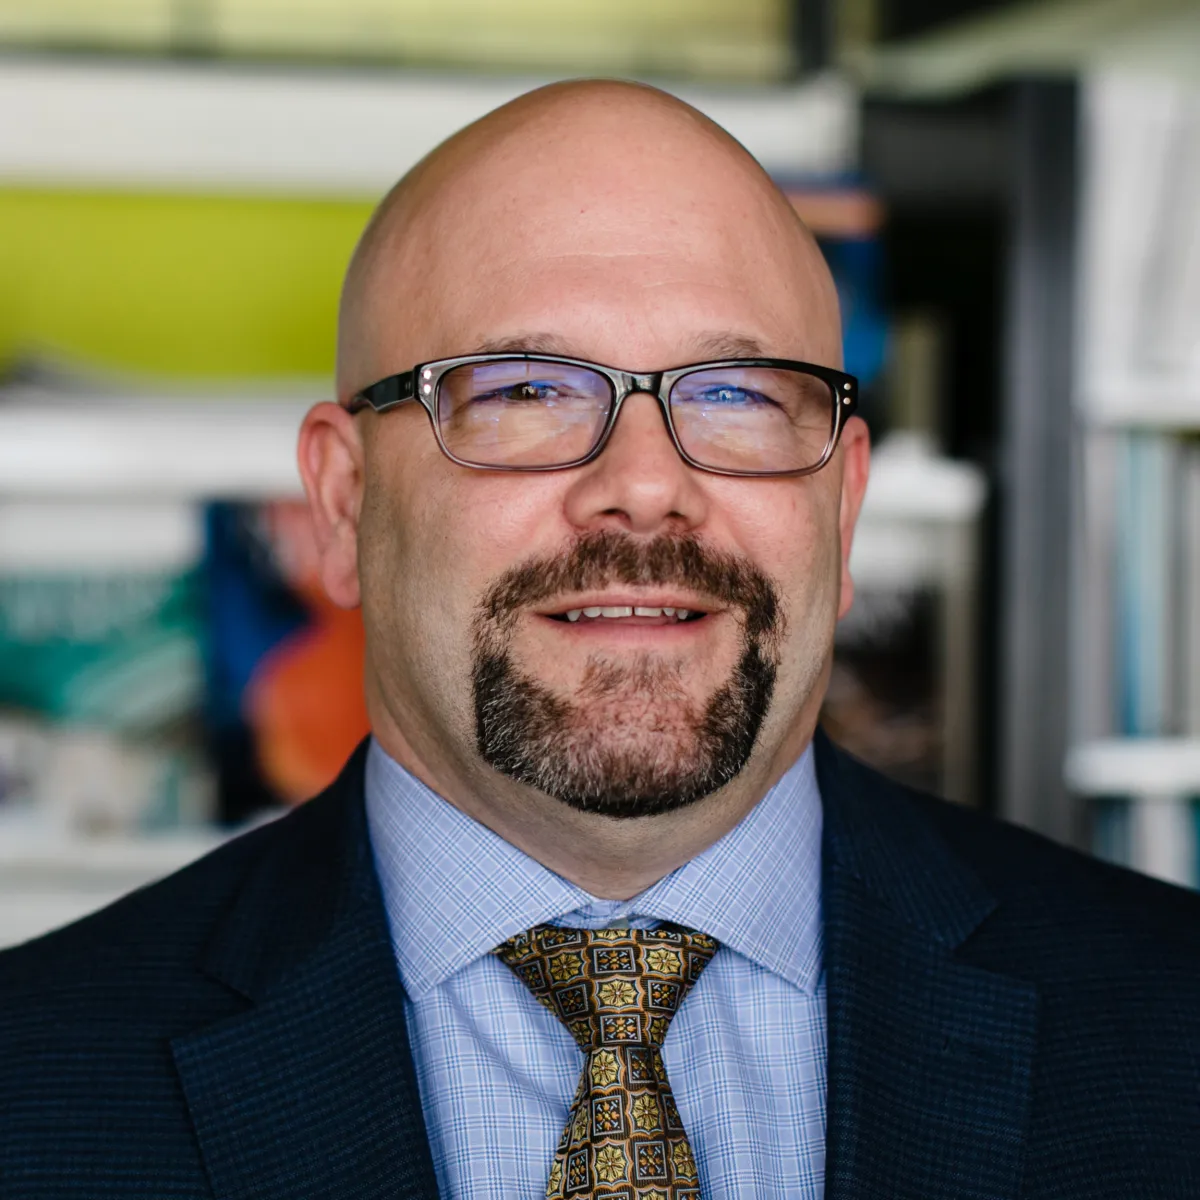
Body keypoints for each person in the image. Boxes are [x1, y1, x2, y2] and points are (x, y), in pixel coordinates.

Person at [1, 80, 1198, 1200]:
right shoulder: (33, 1088)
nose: (644, 487)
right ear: (343, 502)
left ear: (843, 509)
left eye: (735, 395)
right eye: (526, 390)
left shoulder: (1172, 1027)